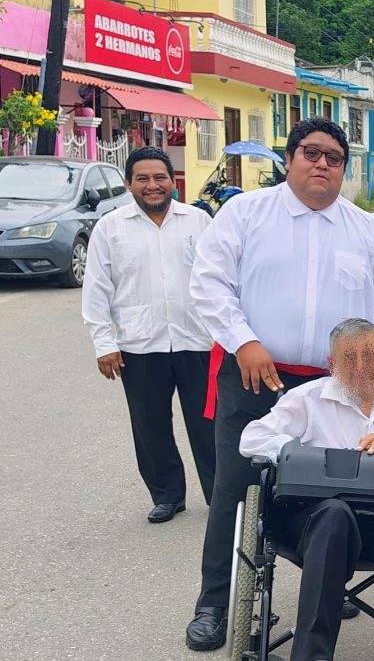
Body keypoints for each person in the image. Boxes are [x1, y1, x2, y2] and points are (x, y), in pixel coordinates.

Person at [185, 117, 374, 652]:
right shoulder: (246, 213)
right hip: (257, 371)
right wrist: (243, 340)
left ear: (344, 169)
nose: (322, 164)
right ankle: (215, 604)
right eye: (311, 153)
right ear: (289, 159)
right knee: (238, 487)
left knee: (341, 486)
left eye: (334, 158)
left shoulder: (365, 230)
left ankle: (332, 577)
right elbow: (209, 283)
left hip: (343, 385)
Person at [239, 319, 374, 661]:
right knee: (334, 512)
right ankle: (312, 654)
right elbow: (251, 439)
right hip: (317, 526)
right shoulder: (308, 399)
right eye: (349, 357)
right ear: (332, 363)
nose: (360, 367)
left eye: (369, 356)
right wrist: (301, 452)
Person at [81, 147, 215, 524]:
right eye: (142, 178)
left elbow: (220, 280)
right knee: (150, 425)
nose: (152, 185)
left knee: (209, 424)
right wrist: (104, 344)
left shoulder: (199, 221)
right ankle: (167, 495)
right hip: (139, 344)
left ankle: (221, 495)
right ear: (129, 184)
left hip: (198, 341)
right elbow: (97, 288)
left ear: (173, 181)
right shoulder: (111, 227)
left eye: (159, 177)